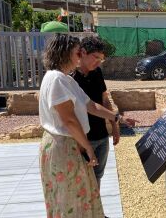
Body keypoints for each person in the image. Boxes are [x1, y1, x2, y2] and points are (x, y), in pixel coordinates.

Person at [39, 33, 135, 218]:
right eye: (77, 52)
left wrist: (117, 118)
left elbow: (91, 105)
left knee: (77, 195)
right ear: (65, 53)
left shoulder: (65, 79)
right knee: (69, 198)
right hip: (64, 145)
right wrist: (88, 147)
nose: (79, 55)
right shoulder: (57, 79)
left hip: (69, 144)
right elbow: (69, 120)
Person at [71, 36, 118, 189]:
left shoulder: (97, 72)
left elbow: (104, 100)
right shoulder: (70, 78)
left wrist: (115, 126)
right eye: (96, 57)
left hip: (101, 136)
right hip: (83, 139)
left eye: (101, 59)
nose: (98, 62)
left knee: (97, 177)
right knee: (81, 179)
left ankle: (96, 212)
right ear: (83, 52)